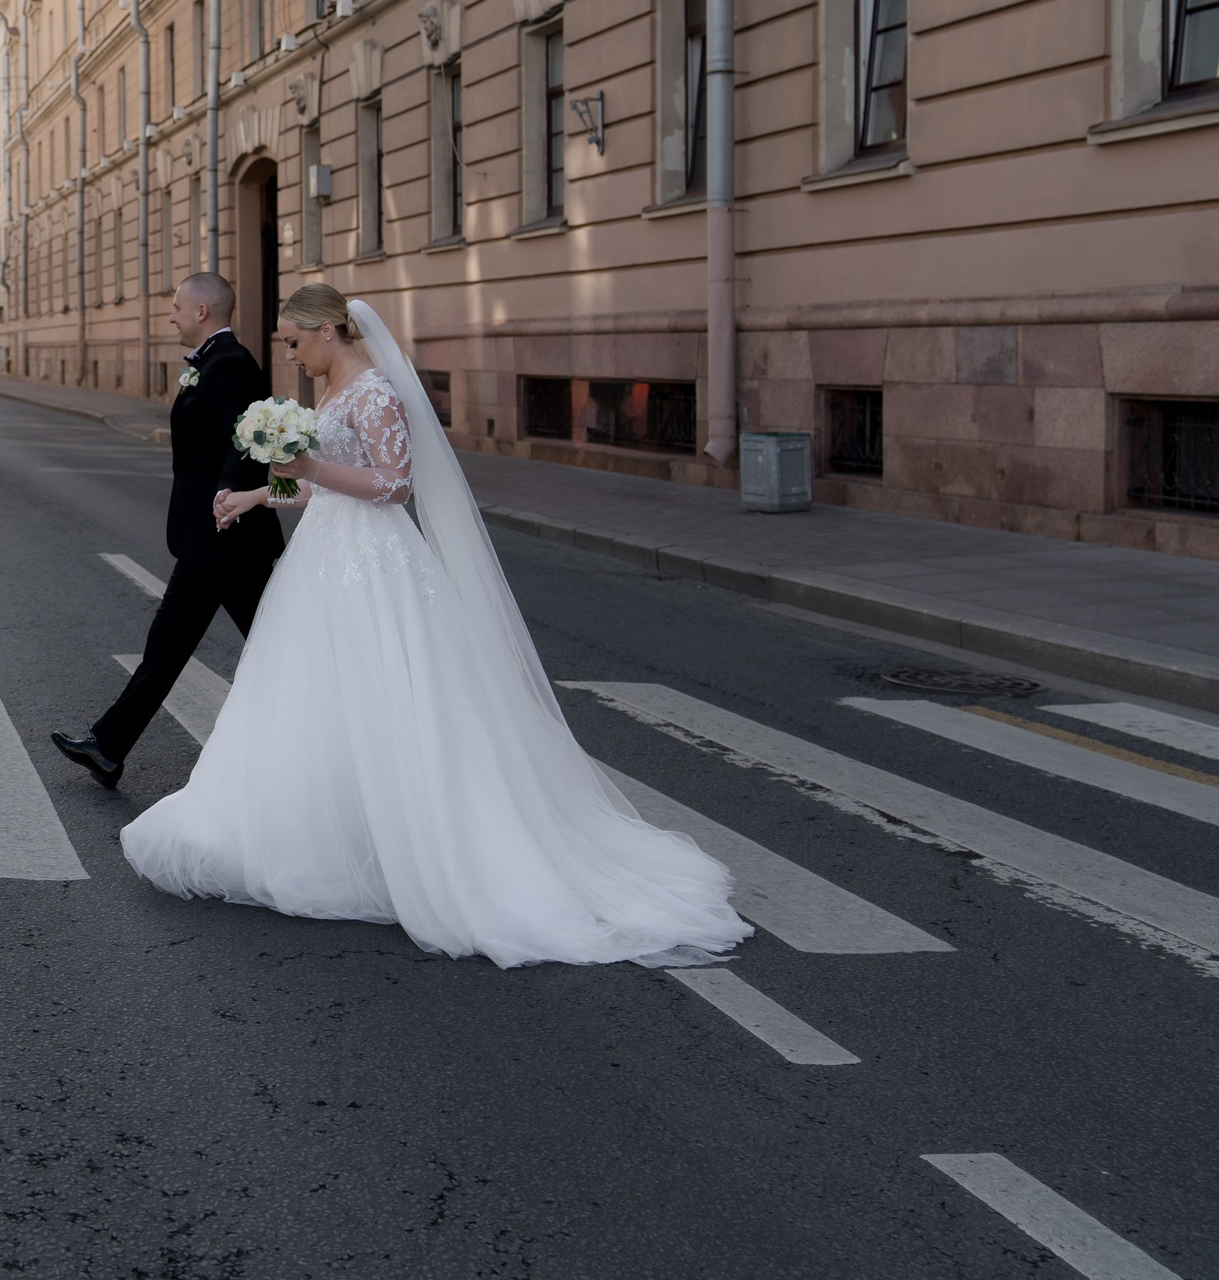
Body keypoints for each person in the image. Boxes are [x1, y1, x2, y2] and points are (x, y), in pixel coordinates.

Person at [117, 284, 751, 969]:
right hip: (325, 560)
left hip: (376, 565)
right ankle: (326, 833)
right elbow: (320, 485)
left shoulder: (378, 392)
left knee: (396, 701)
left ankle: (418, 841)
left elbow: (394, 484)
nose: (291, 356)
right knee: (319, 703)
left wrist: (310, 466)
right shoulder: (332, 394)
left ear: (330, 330)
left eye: (296, 341)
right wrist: (253, 493)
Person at [52, 273, 281, 791]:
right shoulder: (214, 363)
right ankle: (108, 748)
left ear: (202, 312)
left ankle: (333, 739)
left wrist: (227, 495)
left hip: (230, 541)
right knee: (166, 647)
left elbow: (243, 442)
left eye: (177, 307)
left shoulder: (229, 366)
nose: (170, 315)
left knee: (276, 644)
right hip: (207, 542)